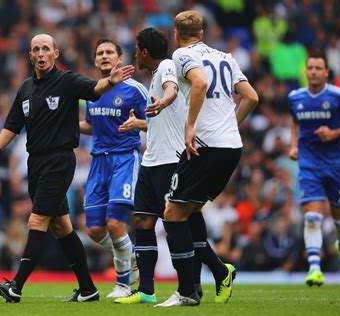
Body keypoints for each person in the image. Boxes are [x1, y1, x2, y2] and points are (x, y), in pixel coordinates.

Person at [0, 33, 135, 303]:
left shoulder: (67, 81)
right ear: (30, 56)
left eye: (45, 49)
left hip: (59, 161)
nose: (40, 54)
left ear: (56, 54)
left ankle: (16, 286)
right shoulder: (26, 88)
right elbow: (12, 125)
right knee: (61, 227)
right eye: (35, 50)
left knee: (37, 220)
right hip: (36, 163)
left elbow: (94, 88)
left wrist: (110, 81)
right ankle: (88, 289)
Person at [115, 27, 239, 305]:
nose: (134, 53)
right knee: (144, 220)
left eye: (136, 49)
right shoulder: (155, 77)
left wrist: (166, 98)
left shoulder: (169, 66)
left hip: (171, 159)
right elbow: (164, 118)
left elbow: (170, 90)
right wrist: (140, 124)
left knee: (182, 221)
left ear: (144, 52)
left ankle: (213, 275)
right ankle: (146, 291)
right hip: (152, 159)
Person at [156, 11, 258, 307]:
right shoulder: (227, 56)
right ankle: (219, 272)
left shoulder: (181, 55)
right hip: (230, 147)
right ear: (203, 32)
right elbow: (251, 97)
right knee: (190, 212)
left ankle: (187, 291)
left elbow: (198, 83)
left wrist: (190, 127)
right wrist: (231, 124)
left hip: (205, 145)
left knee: (172, 214)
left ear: (176, 33)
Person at [79, 38, 147, 299]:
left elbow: (156, 123)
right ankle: (131, 255)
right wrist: (66, 125)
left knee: (115, 223)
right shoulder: (92, 91)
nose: (104, 56)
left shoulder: (135, 90)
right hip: (98, 162)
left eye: (109, 52)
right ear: (95, 60)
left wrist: (138, 124)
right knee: (95, 230)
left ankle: (123, 284)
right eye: (100, 53)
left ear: (120, 58)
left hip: (124, 159)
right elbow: (90, 125)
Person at [288, 53, 340, 286]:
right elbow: (295, 121)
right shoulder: (295, 97)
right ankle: (314, 268)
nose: (313, 72)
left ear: (326, 72)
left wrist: (334, 134)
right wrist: (293, 145)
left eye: (318, 68)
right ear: (306, 71)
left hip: (336, 164)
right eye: (310, 67)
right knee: (311, 217)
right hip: (309, 164)